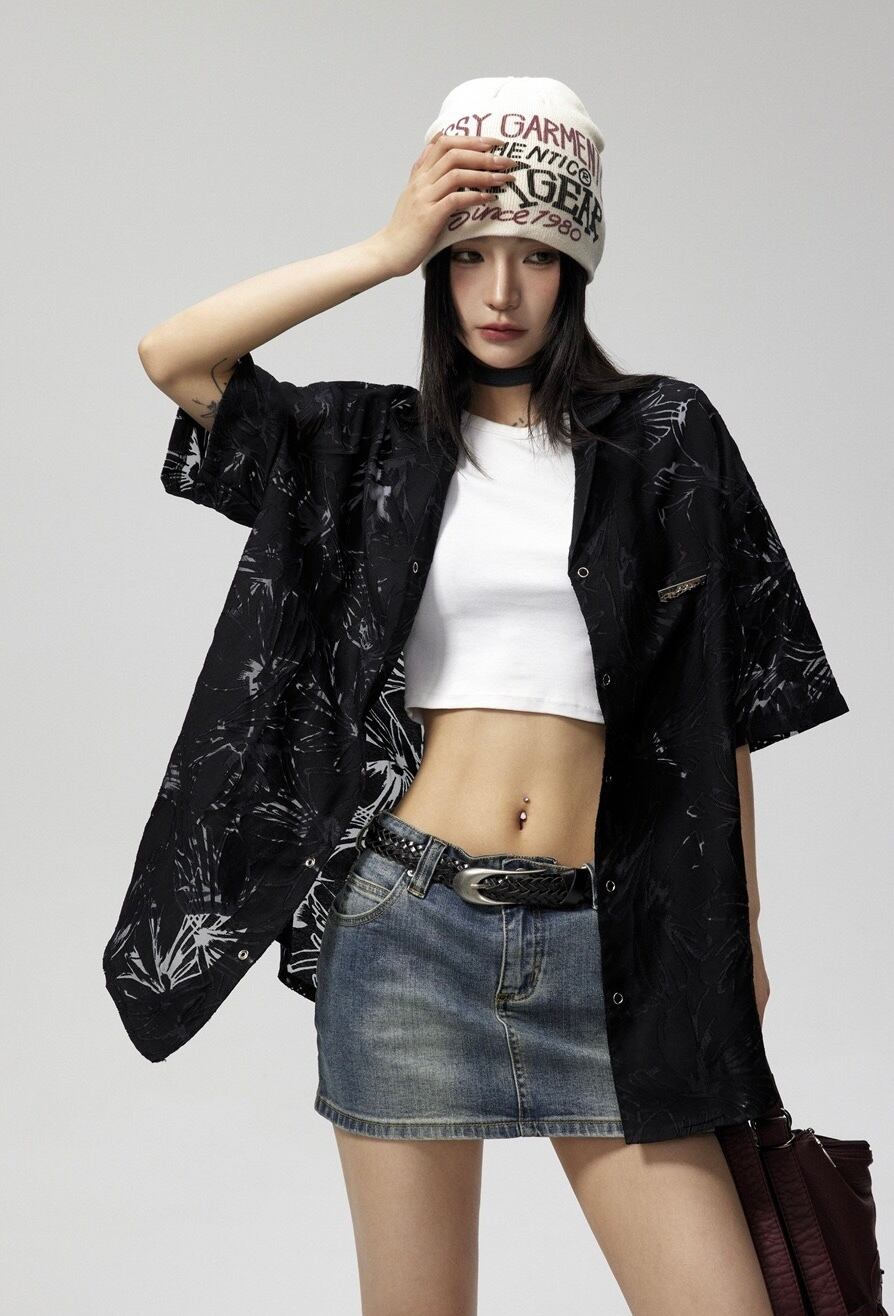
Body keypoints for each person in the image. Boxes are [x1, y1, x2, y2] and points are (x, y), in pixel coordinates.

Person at [114, 77, 849, 1315]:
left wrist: (746, 935)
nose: (500, 291)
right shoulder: (371, 447)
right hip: (408, 930)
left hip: (614, 942)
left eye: (535, 256)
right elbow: (174, 357)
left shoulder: (669, 438)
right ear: (436, 271)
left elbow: (723, 701)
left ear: (577, 271)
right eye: (468, 256)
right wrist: (385, 243)